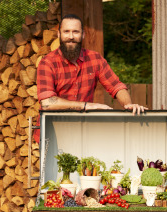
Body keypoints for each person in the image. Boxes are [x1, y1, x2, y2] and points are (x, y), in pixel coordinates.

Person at [34, 14, 147, 143]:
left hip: (82, 129)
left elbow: (116, 86)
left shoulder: (95, 59)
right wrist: (87, 106)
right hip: (52, 131)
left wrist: (128, 104)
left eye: (75, 32)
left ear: (83, 35)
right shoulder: (47, 62)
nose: (71, 36)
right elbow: (47, 103)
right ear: (59, 35)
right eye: (66, 32)